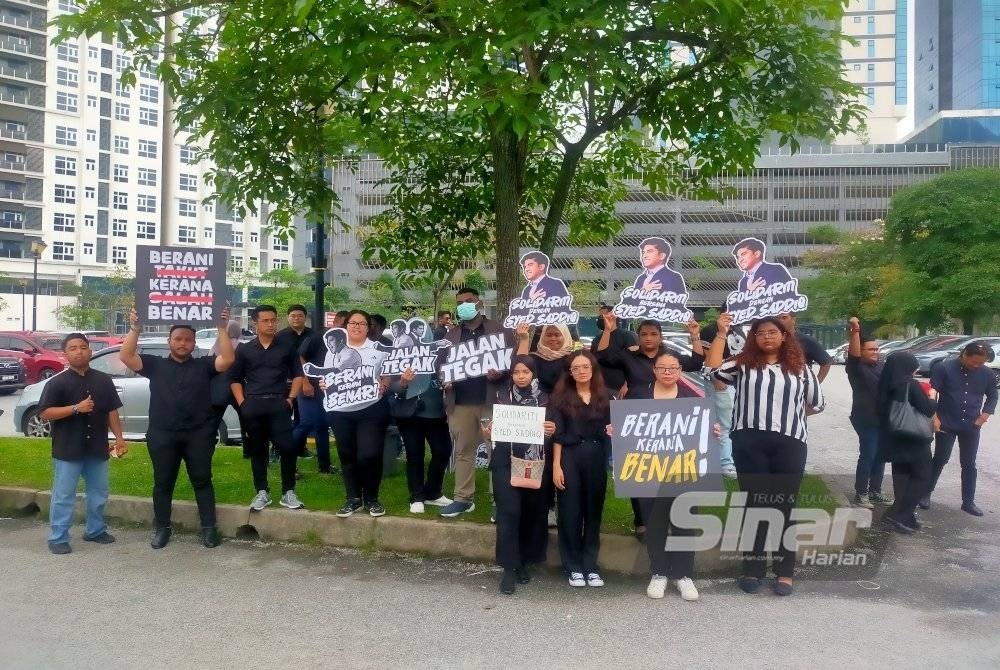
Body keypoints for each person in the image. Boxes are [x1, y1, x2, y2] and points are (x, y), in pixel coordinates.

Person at [707, 313, 824, 597]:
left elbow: (817, 404)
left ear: (784, 336)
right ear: (753, 338)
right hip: (750, 443)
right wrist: (721, 334)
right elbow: (711, 371)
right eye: (760, 333)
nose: (767, 337)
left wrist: (789, 418)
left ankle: (785, 572)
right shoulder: (743, 363)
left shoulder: (801, 369)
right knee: (755, 505)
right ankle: (753, 569)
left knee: (785, 506)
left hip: (790, 443)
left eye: (773, 332)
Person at [119, 307, 235, 549]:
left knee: (202, 480)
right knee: (163, 482)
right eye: (178, 339)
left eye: (188, 340)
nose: (183, 344)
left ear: (194, 343)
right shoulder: (155, 365)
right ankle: (162, 528)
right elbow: (126, 357)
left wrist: (222, 329)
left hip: (199, 434)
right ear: (169, 341)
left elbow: (228, 359)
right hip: (163, 435)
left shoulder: (204, 365)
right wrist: (135, 329)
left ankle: (209, 528)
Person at [595, 313, 704, 540]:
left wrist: (694, 336)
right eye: (643, 334)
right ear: (638, 336)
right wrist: (608, 330)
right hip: (638, 419)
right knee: (640, 469)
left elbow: (696, 362)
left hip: (669, 419)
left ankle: (673, 518)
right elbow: (603, 356)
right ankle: (642, 520)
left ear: (660, 336)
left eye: (653, 334)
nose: (648, 338)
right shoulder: (629, 356)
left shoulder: (668, 357)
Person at [38, 333, 127, 554]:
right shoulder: (57, 382)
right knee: (64, 495)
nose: (79, 351)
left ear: (90, 351)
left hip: (97, 448)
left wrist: (119, 438)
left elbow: (111, 410)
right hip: (68, 449)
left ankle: (95, 530)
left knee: (99, 492)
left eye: (83, 347)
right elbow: (45, 413)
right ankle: (58, 537)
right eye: (73, 348)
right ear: (66, 354)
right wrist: (75, 408)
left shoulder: (103, 380)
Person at [624, 352, 701, 601]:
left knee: (683, 521)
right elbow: (626, 425)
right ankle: (658, 573)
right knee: (654, 522)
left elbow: (702, 429)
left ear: (680, 371)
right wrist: (616, 428)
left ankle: (683, 575)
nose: (668, 372)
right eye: (662, 368)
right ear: (654, 370)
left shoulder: (692, 397)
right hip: (648, 469)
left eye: (673, 368)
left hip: (682, 468)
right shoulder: (638, 394)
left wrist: (712, 429)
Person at [483, 355, 556, 594]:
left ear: (533, 373)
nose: (521, 376)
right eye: (516, 372)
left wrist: (552, 429)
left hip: (535, 463)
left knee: (531, 513)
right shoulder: (501, 396)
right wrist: (490, 429)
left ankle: (524, 561)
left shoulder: (546, 399)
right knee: (509, 512)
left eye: (525, 372)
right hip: (505, 459)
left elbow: (557, 430)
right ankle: (509, 568)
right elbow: (491, 428)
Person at [438, 286, 509, 518]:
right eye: (460, 303)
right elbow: (441, 367)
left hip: (492, 400)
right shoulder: (451, 336)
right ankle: (463, 498)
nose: (464, 305)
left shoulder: (499, 330)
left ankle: (499, 500)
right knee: (463, 450)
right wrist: (445, 380)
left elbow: (515, 362)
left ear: (479, 302)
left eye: (469, 300)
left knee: (496, 450)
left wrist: (500, 373)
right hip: (460, 403)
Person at [229, 304, 305, 511]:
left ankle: (288, 492)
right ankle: (262, 491)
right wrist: (242, 403)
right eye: (266, 320)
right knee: (258, 450)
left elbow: (298, 374)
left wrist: (290, 399)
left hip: (279, 403)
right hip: (253, 404)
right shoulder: (245, 349)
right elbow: (235, 379)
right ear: (256, 322)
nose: (272, 324)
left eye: (274, 320)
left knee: (288, 447)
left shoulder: (286, 346)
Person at [550, 350, 615, 588]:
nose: (581, 371)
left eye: (585, 367)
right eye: (576, 368)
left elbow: (614, 428)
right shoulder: (559, 398)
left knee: (593, 512)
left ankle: (590, 566)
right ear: (569, 372)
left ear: (593, 369)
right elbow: (557, 434)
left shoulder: (606, 397)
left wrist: (613, 432)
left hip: (596, 456)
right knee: (570, 511)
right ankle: (573, 565)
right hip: (569, 455)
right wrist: (556, 466)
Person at [325, 310, 392, 518]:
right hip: (341, 411)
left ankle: (371, 498)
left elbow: (387, 374)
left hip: (371, 409)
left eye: (361, 323)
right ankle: (353, 498)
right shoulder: (333, 351)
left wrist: (384, 384)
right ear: (346, 326)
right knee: (347, 455)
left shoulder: (378, 349)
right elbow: (328, 377)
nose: (356, 327)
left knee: (369, 454)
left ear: (368, 327)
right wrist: (324, 384)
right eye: (353, 323)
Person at [924, 341, 997, 516]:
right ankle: (925, 494)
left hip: (972, 425)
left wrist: (984, 416)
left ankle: (968, 502)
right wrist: (934, 418)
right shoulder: (944, 368)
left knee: (969, 463)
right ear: (964, 354)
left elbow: (993, 396)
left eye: (982, 363)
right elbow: (932, 392)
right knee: (940, 459)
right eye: (975, 362)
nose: (977, 366)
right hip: (946, 422)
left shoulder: (987, 374)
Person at [876, 351, 935, 534]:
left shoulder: (885, 384)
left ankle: (901, 515)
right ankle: (901, 515)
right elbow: (927, 409)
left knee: (902, 477)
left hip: (894, 439)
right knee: (922, 476)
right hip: (914, 438)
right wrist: (932, 396)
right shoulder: (910, 385)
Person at [390, 365, 453, 514]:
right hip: (410, 413)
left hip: (436, 411)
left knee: (443, 451)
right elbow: (393, 387)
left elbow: (450, 376)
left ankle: (433, 492)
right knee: (415, 455)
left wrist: (450, 385)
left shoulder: (442, 349)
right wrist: (403, 382)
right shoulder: (403, 350)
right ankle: (416, 496)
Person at [845, 317, 888, 509]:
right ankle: (861, 493)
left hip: (883, 419)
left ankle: (875, 492)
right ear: (860, 351)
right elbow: (853, 356)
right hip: (865, 419)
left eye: (877, 349)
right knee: (868, 455)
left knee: (881, 456)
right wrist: (856, 331)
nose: (875, 352)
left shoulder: (881, 366)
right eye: (871, 349)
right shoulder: (856, 368)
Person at [699, 305, 745, 480]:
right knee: (724, 423)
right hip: (719, 381)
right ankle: (726, 463)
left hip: (738, 381)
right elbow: (706, 359)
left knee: (734, 422)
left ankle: (731, 460)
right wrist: (716, 378)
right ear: (722, 312)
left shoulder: (740, 330)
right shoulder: (710, 330)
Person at [277, 304, 314, 458]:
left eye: (300, 315)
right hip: (285, 382)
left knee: (303, 418)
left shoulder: (313, 335)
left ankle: (300, 448)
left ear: (305, 317)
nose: (296, 318)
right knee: (282, 417)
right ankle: (278, 450)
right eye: (293, 315)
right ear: (288, 317)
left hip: (307, 381)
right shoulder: (280, 336)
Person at [296, 329, 334, 474]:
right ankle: (287, 457)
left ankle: (325, 467)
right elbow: (300, 356)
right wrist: (305, 382)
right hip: (309, 387)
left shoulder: (347, 341)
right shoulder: (317, 337)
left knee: (323, 426)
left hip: (325, 389)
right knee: (307, 423)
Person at [590, 304, 637, 394]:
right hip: (600, 386)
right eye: (599, 316)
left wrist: (627, 385)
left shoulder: (627, 336)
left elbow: (634, 361)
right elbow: (594, 360)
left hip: (619, 387)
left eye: (602, 315)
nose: (600, 318)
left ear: (613, 316)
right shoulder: (597, 339)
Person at [776, 312, 832, 382]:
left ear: (793, 320)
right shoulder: (772, 341)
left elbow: (826, 362)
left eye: (784, 317)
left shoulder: (807, 340)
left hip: (800, 387)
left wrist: (815, 384)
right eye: (777, 318)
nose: (780, 321)